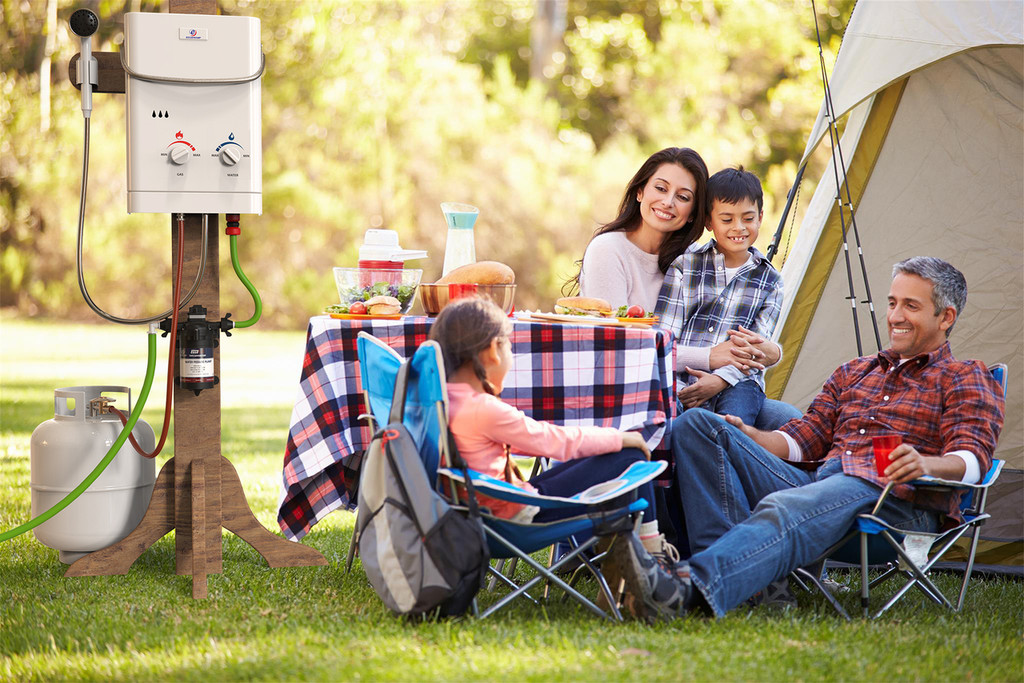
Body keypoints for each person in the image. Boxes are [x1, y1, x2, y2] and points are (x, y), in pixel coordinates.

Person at [663, 257, 1005, 617]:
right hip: (821, 482)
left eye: (911, 306)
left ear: (946, 317)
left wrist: (924, 464)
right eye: (892, 303)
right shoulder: (853, 371)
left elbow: (973, 458)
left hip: (893, 500)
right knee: (698, 425)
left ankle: (685, 588)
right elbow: (804, 438)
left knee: (788, 505)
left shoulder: (965, 377)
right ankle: (751, 585)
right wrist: (749, 435)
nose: (896, 316)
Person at [429, 297, 691, 621]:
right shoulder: (482, 409)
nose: (510, 358)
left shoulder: (440, 398)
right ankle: (653, 568)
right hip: (512, 520)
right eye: (510, 348)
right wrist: (619, 436)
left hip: (483, 510)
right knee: (631, 454)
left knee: (615, 456)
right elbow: (552, 441)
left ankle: (637, 565)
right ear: (492, 351)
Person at [655, 166, 784, 425]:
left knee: (731, 431)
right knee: (675, 423)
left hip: (738, 382)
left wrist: (720, 379)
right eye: (727, 220)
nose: (739, 228)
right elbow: (662, 341)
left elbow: (756, 350)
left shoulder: (771, 282)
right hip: (681, 379)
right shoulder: (686, 267)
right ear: (708, 222)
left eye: (748, 218)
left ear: (760, 216)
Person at [567, 147, 708, 313]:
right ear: (640, 192)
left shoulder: (697, 260)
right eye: (661, 188)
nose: (668, 202)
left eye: (683, 197)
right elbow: (615, 333)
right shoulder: (608, 249)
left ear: (693, 213)